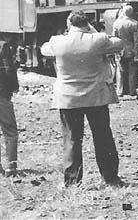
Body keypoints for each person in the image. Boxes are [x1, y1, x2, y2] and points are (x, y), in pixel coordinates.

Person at [40, 10, 125, 188]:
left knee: (71, 139)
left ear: (69, 24)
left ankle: (72, 181)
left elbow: (44, 49)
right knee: (103, 137)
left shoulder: (58, 41)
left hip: (68, 99)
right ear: (87, 24)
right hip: (96, 98)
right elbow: (119, 43)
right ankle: (110, 178)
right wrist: (93, 31)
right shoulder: (98, 40)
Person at [112, 5, 138, 97]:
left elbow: (114, 38)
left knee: (120, 71)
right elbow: (136, 40)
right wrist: (136, 52)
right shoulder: (134, 24)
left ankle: (120, 91)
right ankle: (132, 91)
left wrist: (115, 49)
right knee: (132, 71)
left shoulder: (116, 23)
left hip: (120, 49)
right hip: (130, 49)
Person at [0, 39, 19, 177]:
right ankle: (11, 165)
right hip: (1, 95)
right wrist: (13, 88)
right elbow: (9, 69)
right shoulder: (2, 46)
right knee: (10, 131)